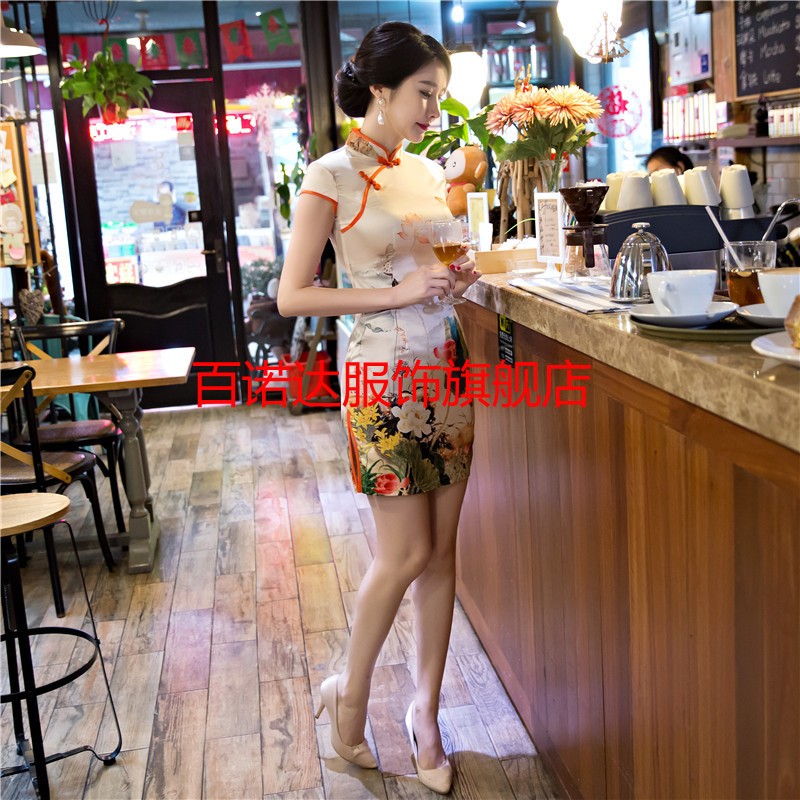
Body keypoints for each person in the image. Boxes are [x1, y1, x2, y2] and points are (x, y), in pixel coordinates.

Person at [277, 21, 481, 795]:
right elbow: (293, 296)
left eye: (439, 95)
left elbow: (439, 261)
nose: (433, 109)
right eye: (424, 93)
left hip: (447, 369)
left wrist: (457, 274)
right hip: (380, 381)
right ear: (379, 89)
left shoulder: (426, 172)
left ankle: (426, 715)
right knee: (404, 554)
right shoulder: (328, 174)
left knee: (444, 552)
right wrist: (398, 293)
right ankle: (350, 695)